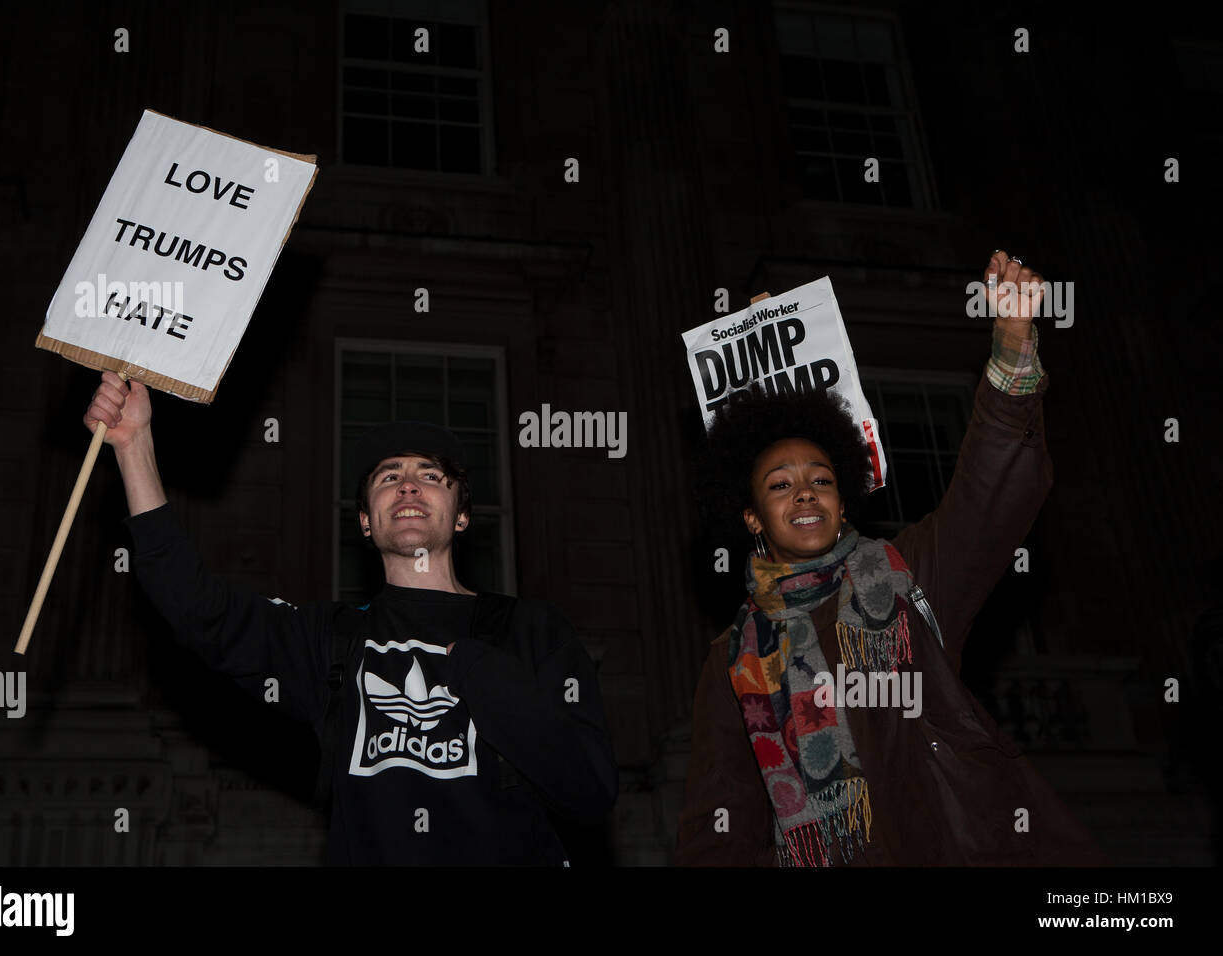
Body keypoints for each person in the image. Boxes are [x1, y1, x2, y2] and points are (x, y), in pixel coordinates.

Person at [674, 251, 1105, 866]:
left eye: (820, 480)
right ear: (750, 518)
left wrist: (1012, 344)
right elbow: (718, 826)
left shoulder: (909, 575)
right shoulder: (732, 660)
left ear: (843, 502)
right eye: (779, 485)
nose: (803, 492)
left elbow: (989, 493)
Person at [84, 378, 617, 865]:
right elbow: (199, 607)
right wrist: (135, 446)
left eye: (431, 475)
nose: (408, 486)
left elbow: (589, 791)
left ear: (461, 515)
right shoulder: (331, 640)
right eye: (389, 477)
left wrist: (487, 679)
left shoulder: (535, 630)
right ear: (366, 520)